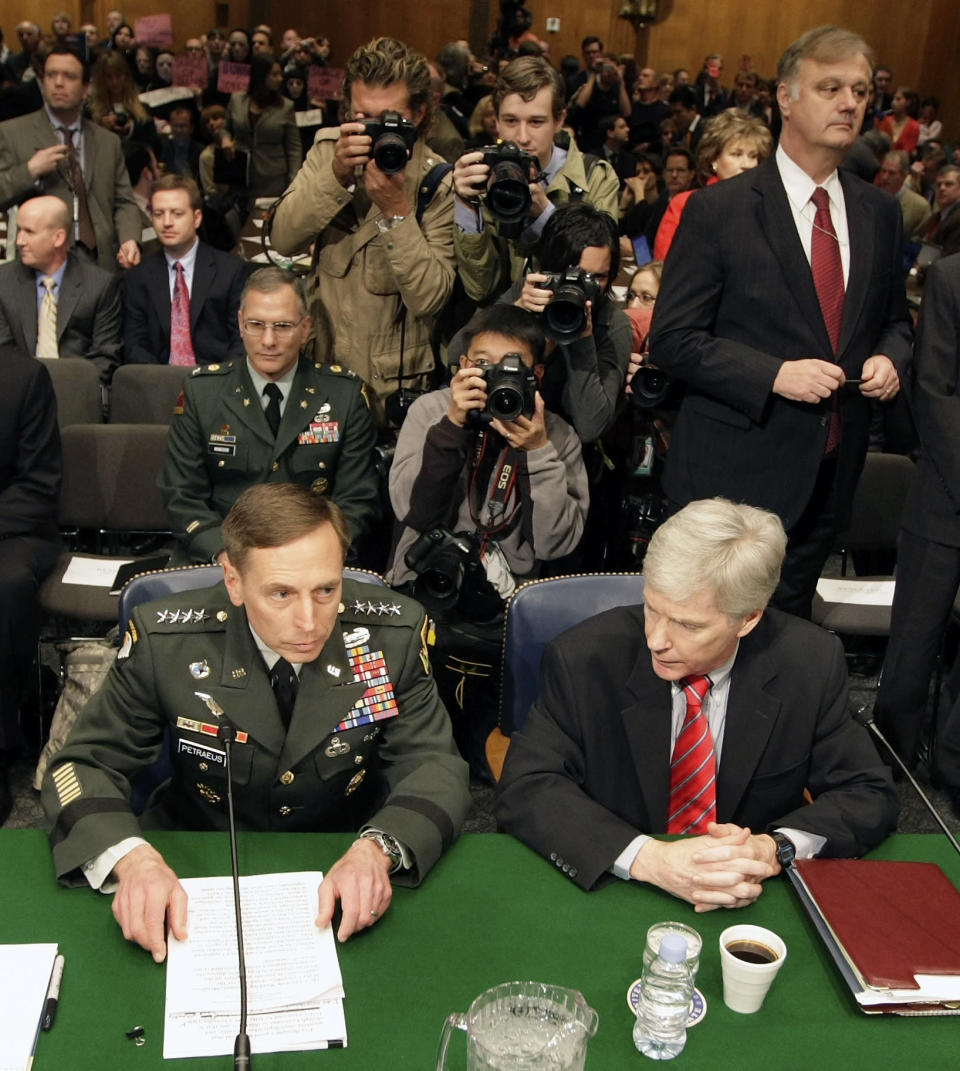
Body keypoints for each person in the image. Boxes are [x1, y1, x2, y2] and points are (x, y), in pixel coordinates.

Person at [41, 482, 470, 956]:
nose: (309, 621)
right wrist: (133, 860)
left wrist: (378, 850)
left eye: (326, 589)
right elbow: (81, 768)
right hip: (194, 860)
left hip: (344, 857)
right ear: (233, 580)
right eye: (281, 593)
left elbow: (435, 768)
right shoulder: (166, 641)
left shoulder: (392, 637)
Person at [495, 498, 898, 900]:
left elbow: (867, 793)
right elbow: (527, 785)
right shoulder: (584, 659)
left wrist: (774, 849)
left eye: (688, 625)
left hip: (746, 896)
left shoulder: (808, 663)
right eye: (652, 608)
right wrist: (649, 858)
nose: (656, 640)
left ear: (748, 619)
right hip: (619, 889)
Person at [649, 25, 912, 619]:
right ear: (785, 99)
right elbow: (672, 339)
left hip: (830, 471)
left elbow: (895, 321)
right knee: (705, 632)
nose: (850, 103)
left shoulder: (880, 212)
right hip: (732, 473)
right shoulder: (719, 210)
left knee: (784, 642)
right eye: (830, 87)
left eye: (860, 90)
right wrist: (773, 374)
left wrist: (890, 358)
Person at [270, 36, 456, 424]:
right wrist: (335, 176)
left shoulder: (436, 182)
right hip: (321, 374)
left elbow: (432, 298)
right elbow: (283, 240)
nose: (370, 130)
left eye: (387, 117)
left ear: (419, 114)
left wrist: (397, 213)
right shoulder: (327, 151)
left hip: (391, 393)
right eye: (360, 116)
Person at [158, 267, 379, 564]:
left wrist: (315, 554)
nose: (268, 340)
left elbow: (357, 501)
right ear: (240, 323)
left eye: (283, 326)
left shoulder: (344, 396)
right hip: (221, 557)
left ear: (306, 328)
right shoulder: (202, 393)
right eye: (256, 325)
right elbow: (181, 494)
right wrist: (224, 554)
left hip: (312, 560)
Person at [387, 303, 588, 594]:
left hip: (509, 592)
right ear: (465, 365)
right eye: (484, 364)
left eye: (513, 365)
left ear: (537, 373)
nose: (497, 376)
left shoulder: (557, 435)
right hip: (423, 574)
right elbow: (411, 512)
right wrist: (452, 426)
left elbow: (554, 544)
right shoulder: (430, 411)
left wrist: (538, 451)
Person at [875, 253, 960, 811]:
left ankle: (953, 769)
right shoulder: (952, 276)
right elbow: (934, 389)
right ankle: (885, 763)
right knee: (914, 641)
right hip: (945, 492)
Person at [453, 55, 619, 305]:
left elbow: (598, 280)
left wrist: (547, 219)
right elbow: (479, 289)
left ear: (559, 120)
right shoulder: (478, 175)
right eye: (510, 121)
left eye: (536, 122)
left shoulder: (595, 177)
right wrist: (467, 208)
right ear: (496, 121)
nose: (522, 137)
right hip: (497, 330)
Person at [0, 45, 141, 272]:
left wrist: (129, 239)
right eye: (51, 75)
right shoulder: (11, 133)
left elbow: (124, 202)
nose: (58, 83)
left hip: (100, 265)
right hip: (39, 266)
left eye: (69, 76)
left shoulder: (107, 142)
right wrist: (30, 171)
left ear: (85, 89)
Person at [0, 344, 60, 825]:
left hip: (12, 528)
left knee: (7, 584)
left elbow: (37, 485)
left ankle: (3, 742)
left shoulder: (23, 377)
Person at [122, 175, 246, 367]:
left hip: (216, 383)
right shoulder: (138, 278)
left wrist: (218, 383)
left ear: (196, 218)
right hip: (158, 384)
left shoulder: (231, 272)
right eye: (159, 214)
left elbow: (241, 341)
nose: (167, 222)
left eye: (177, 213)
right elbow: (134, 346)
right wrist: (161, 383)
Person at [0, 195, 122, 380]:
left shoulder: (100, 285)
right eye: (19, 230)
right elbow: (4, 352)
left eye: (29, 232)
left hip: (77, 392)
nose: (19, 241)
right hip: (20, 392)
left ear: (58, 238)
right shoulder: (4, 282)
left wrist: (68, 390)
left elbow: (105, 357)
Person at [654, 108, 772, 261]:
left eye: (753, 156)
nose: (747, 164)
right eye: (736, 154)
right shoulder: (684, 204)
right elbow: (663, 266)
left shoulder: (766, 206)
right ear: (714, 159)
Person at [226, 54, 301, 200]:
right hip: (240, 172)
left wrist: (294, 181)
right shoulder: (237, 99)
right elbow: (225, 129)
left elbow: (294, 147)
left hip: (272, 177)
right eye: (274, 75)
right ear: (260, 76)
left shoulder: (286, 106)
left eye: (280, 74)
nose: (280, 79)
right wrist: (225, 139)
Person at [874, 150, 932, 242]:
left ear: (904, 176)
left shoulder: (920, 207)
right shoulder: (870, 197)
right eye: (883, 171)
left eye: (891, 173)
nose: (885, 177)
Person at [875, 87, 920, 156]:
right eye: (893, 99)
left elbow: (906, 153)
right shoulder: (884, 120)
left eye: (898, 99)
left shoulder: (914, 126)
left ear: (908, 102)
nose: (893, 102)